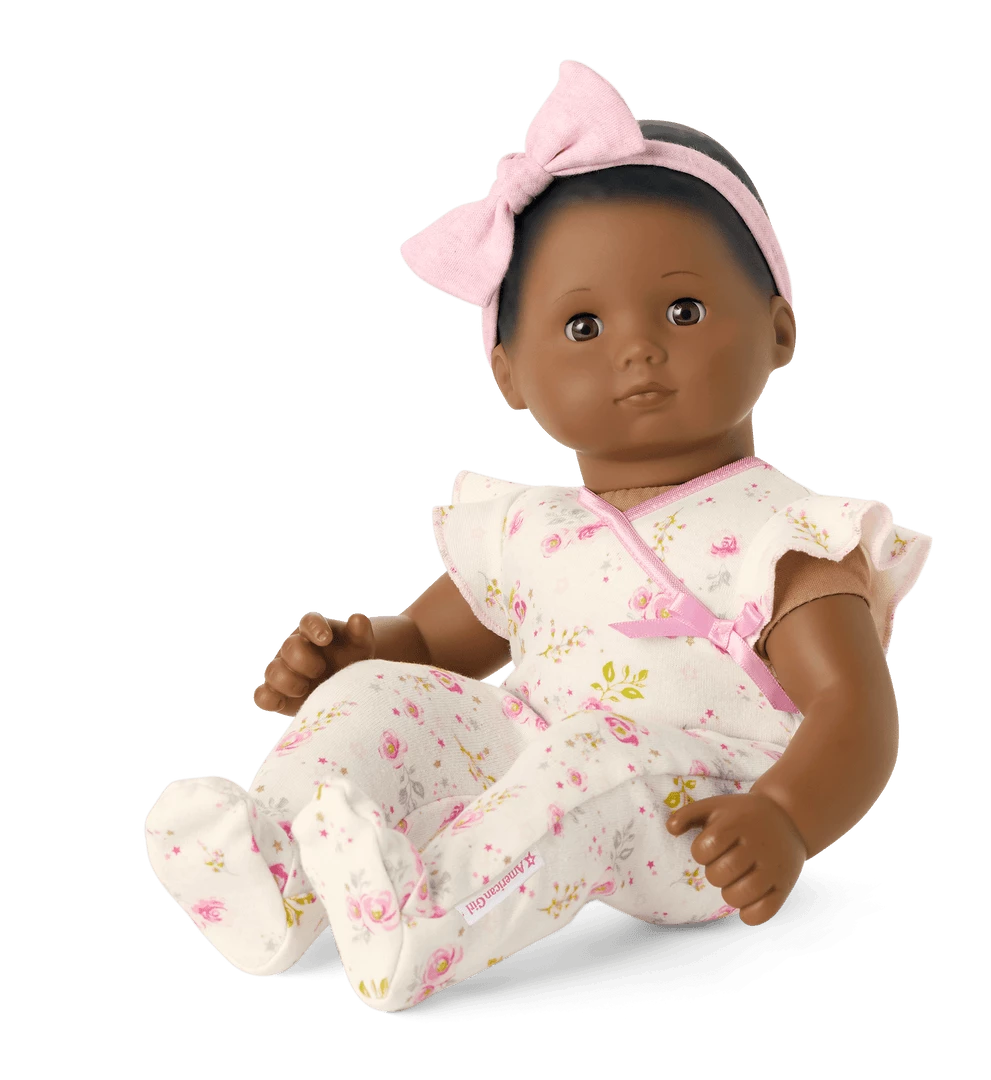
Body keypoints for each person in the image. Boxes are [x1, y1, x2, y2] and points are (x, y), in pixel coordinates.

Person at [143, 60, 933, 1012]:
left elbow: (855, 706)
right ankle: (277, 869)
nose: (638, 347)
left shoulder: (785, 534)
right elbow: (433, 642)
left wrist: (785, 815)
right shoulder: (530, 525)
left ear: (779, 329)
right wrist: (360, 652)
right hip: (532, 758)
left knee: (590, 757)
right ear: (510, 374)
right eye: (583, 325)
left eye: (683, 310)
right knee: (383, 698)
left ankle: (423, 923)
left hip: (696, 807)